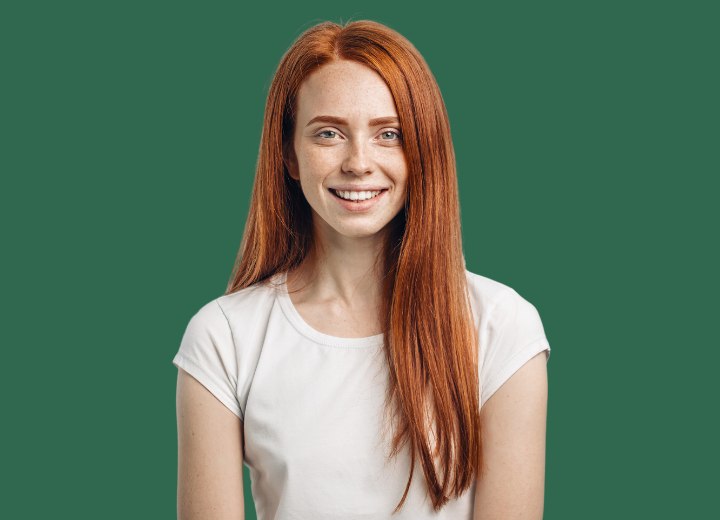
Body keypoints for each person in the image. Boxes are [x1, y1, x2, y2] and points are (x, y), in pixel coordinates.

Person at [173, 19, 551, 520]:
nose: (358, 162)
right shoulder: (224, 337)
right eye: (328, 133)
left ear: (423, 152)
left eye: (389, 134)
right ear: (288, 152)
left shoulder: (501, 328)